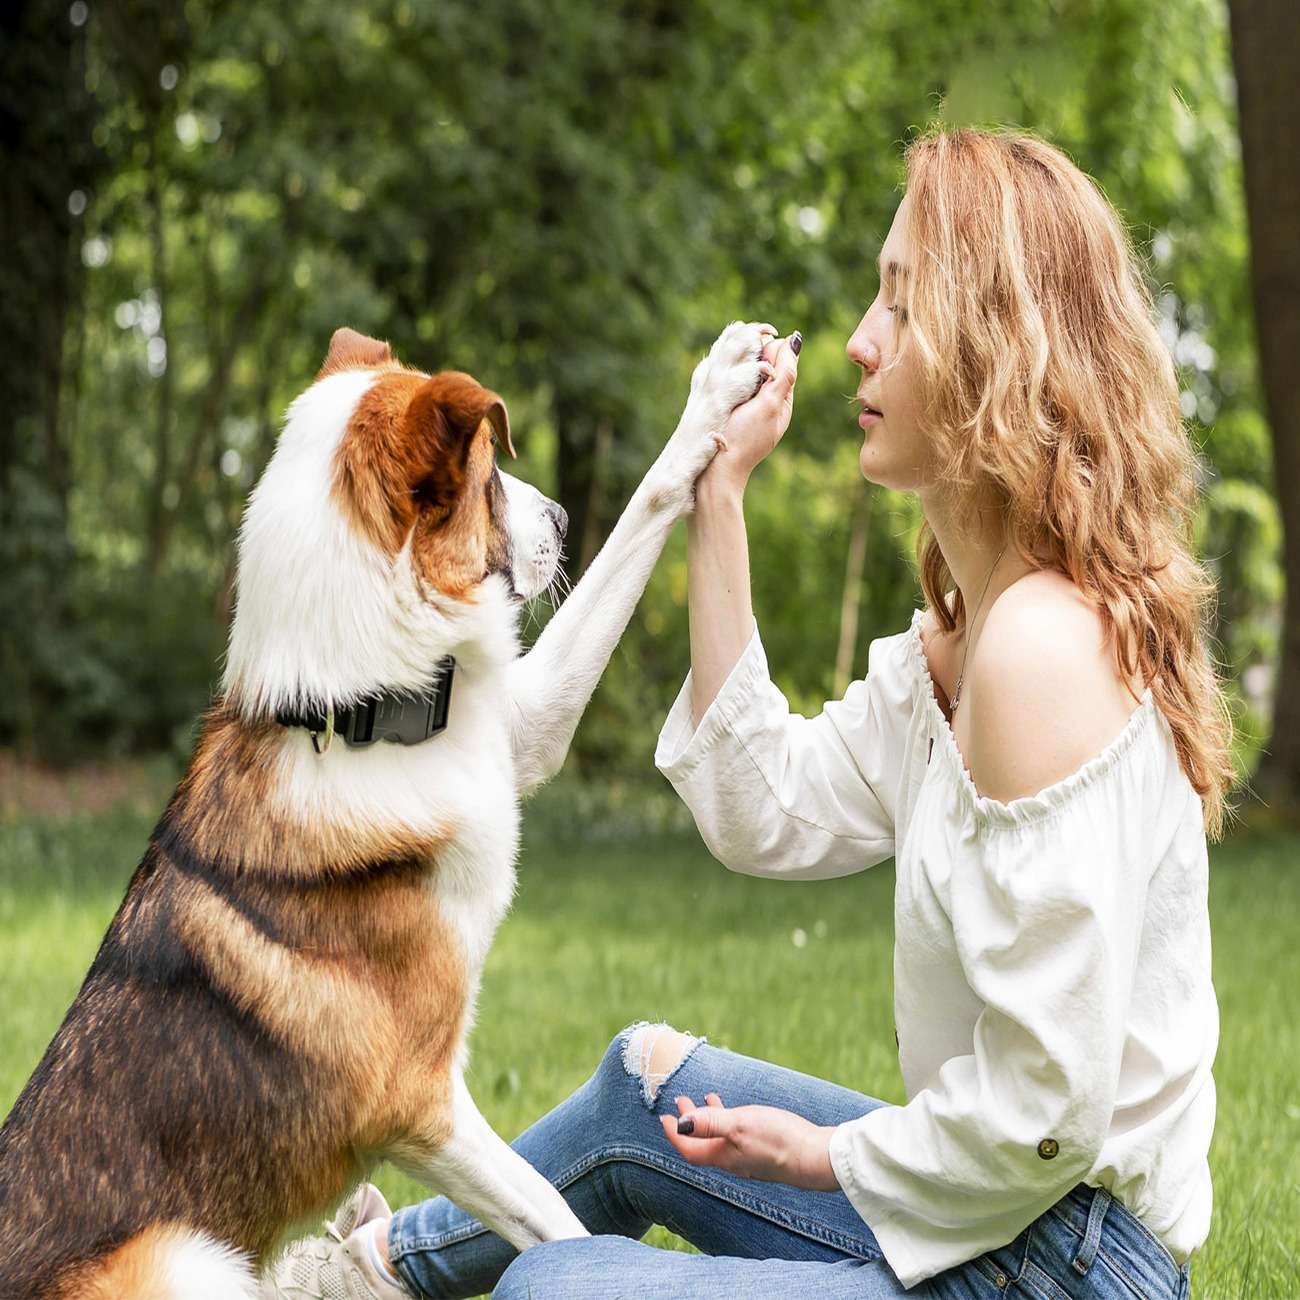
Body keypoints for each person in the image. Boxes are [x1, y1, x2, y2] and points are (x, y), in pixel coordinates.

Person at [264, 126, 1233, 1300]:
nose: (859, 344)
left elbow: (1045, 1117)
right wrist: (715, 499)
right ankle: (362, 1272)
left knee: (553, 1291)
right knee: (642, 1090)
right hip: (998, 1222)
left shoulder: (1040, 653)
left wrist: (826, 1155)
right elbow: (760, 807)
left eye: (902, 307)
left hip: (1064, 1269)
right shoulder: (966, 642)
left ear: (999, 356)